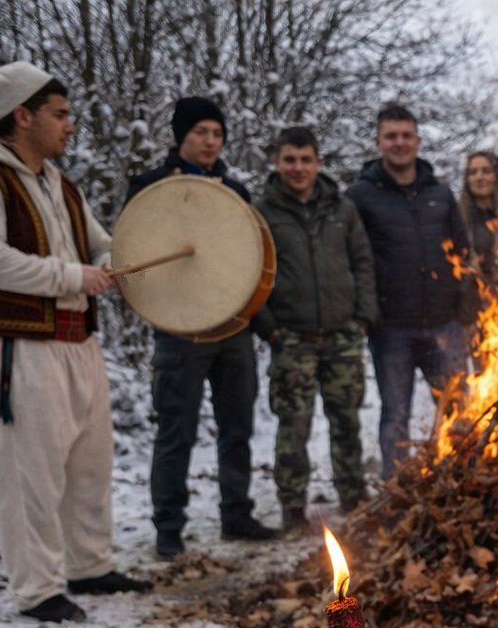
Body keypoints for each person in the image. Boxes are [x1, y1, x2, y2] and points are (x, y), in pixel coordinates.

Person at [0, 61, 149, 622]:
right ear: (22, 115)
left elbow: (100, 244)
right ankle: (37, 589)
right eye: (59, 115)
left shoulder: (60, 182)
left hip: (78, 343)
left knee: (89, 462)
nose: (70, 126)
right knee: (29, 470)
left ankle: (89, 564)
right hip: (17, 347)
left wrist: (114, 263)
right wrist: (72, 275)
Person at [126, 96, 277, 559]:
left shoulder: (234, 191)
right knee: (177, 431)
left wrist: (262, 323)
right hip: (179, 332)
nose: (211, 141)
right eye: (200, 132)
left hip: (233, 328)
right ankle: (168, 527)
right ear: (181, 136)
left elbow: (249, 263)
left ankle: (237, 514)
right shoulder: (150, 188)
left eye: (217, 133)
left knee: (237, 427)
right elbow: (137, 252)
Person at [254, 126, 377, 530]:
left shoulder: (341, 209)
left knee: (348, 421)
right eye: (290, 160)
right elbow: (248, 274)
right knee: (294, 424)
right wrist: (270, 329)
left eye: (306, 160)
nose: (298, 168)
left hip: (342, 336)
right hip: (292, 338)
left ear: (318, 163)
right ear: (277, 162)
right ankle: (292, 506)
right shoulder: (263, 214)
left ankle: (353, 495)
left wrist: (362, 318)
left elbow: (362, 263)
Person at [347, 104, 471, 478]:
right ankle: (396, 496)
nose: (400, 143)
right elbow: (354, 260)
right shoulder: (360, 197)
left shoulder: (441, 193)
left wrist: (464, 311)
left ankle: (466, 484)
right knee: (396, 416)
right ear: (378, 142)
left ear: (417, 140)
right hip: (392, 329)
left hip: (444, 325)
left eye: (406, 136)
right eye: (391, 136)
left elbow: (463, 253)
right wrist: (368, 314)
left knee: (458, 412)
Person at [460, 150, 498, 295]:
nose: (479, 177)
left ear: (496, 176)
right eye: (473, 172)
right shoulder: (457, 218)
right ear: (467, 179)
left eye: (486, 171)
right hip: (471, 304)